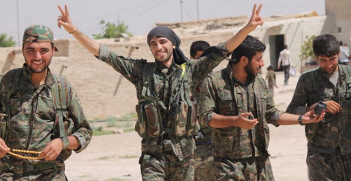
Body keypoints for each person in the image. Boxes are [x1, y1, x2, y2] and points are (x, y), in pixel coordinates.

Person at [57, 3, 264, 181]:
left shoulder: (191, 70)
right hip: (152, 156)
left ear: (173, 44)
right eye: (153, 44)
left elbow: (223, 49)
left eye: (162, 41)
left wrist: (248, 28)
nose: (158, 47)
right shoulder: (141, 71)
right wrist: (74, 31)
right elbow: (105, 54)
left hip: (184, 155)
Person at [198, 35, 324, 181]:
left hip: (260, 161)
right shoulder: (214, 82)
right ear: (244, 60)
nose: (262, 63)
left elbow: (271, 113)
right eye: (258, 59)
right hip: (228, 163)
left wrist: (302, 119)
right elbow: (206, 118)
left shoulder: (259, 82)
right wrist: (235, 120)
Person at [0, 25, 92, 180]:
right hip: (8, 174)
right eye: (31, 50)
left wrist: (61, 143)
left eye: (44, 50)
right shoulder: (6, 83)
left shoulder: (62, 88)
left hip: (50, 174)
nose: (37, 56)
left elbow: (85, 133)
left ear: (53, 50)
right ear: (23, 50)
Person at [286, 34, 351, 181]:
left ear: (339, 54)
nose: (328, 65)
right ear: (316, 57)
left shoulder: (350, 75)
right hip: (320, 154)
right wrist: (315, 107)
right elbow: (292, 111)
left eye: (332, 59)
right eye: (323, 60)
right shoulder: (307, 80)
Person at [189, 40, 214, 181]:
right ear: (192, 59)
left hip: (215, 146)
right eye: (199, 59)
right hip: (194, 146)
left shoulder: (218, 81)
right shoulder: (185, 81)